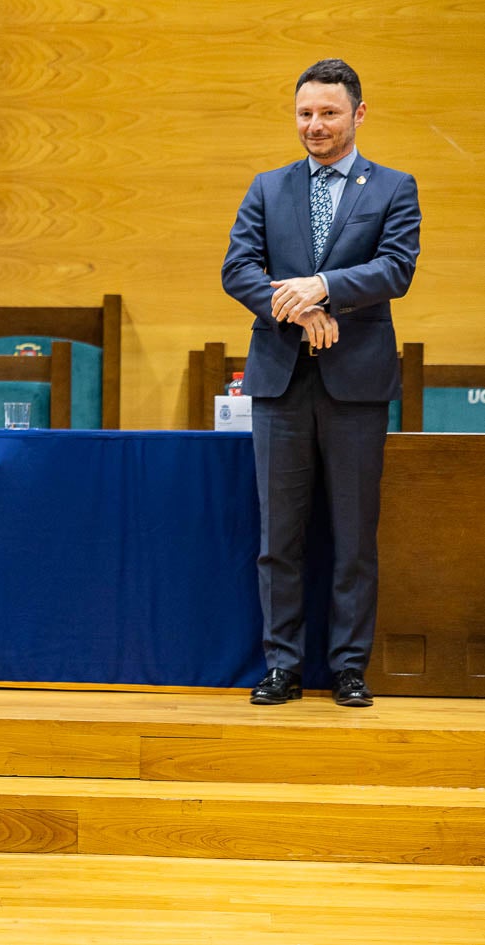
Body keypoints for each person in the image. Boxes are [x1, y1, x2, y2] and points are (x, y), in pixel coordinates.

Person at [222, 59, 421, 708]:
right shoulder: (266, 186)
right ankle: (280, 664)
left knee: (352, 536)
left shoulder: (392, 187)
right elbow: (237, 269)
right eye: (304, 112)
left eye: (328, 113)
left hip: (357, 386)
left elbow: (395, 268)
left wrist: (326, 287)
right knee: (277, 536)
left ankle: (347, 667)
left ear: (357, 114)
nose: (314, 124)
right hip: (279, 382)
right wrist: (299, 307)